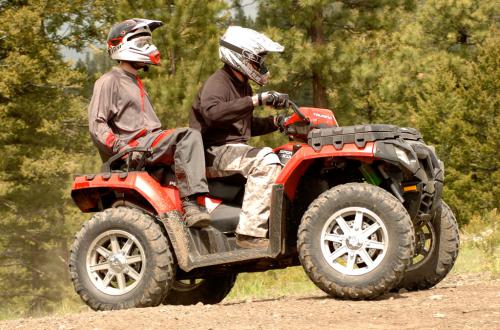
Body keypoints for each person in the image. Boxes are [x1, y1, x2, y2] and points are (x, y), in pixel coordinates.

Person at [88, 18, 211, 228]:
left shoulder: (136, 82)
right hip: (134, 148)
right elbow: (97, 125)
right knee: (188, 136)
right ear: (124, 45)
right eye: (142, 43)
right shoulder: (109, 81)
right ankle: (191, 207)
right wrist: (120, 147)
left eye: (148, 42)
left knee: (203, 143)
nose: (149, 47)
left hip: (149, 145)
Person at [189, 26, 289, 249]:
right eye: (257, 60)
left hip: (230, 151)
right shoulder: (219, 82)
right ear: (241, 57)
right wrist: (256, 100)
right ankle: (249, 233)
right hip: (211, 152)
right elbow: (213, 113)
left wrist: (277, 122)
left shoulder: (241, 85)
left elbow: (242, 125)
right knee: (265, 160)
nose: (260, 66)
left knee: (283, 156)